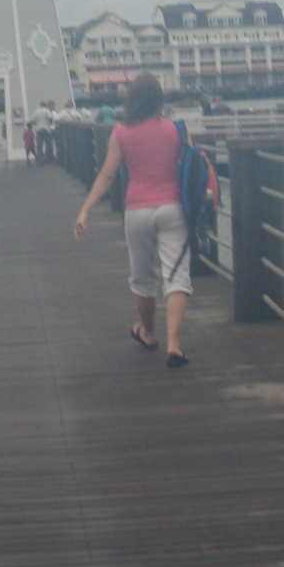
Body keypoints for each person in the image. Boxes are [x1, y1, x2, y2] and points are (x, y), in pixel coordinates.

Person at [73, 72, 192, 368]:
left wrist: (85, 209)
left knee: (142, 277)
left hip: (137, 209)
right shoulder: (178, 128)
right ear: (160, 99)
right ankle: (175, 344)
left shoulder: (121, 132)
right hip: (173, 206)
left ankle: (149, 333)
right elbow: (191, 167)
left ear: (132, 99)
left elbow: (107, 174)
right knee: (176, 276)